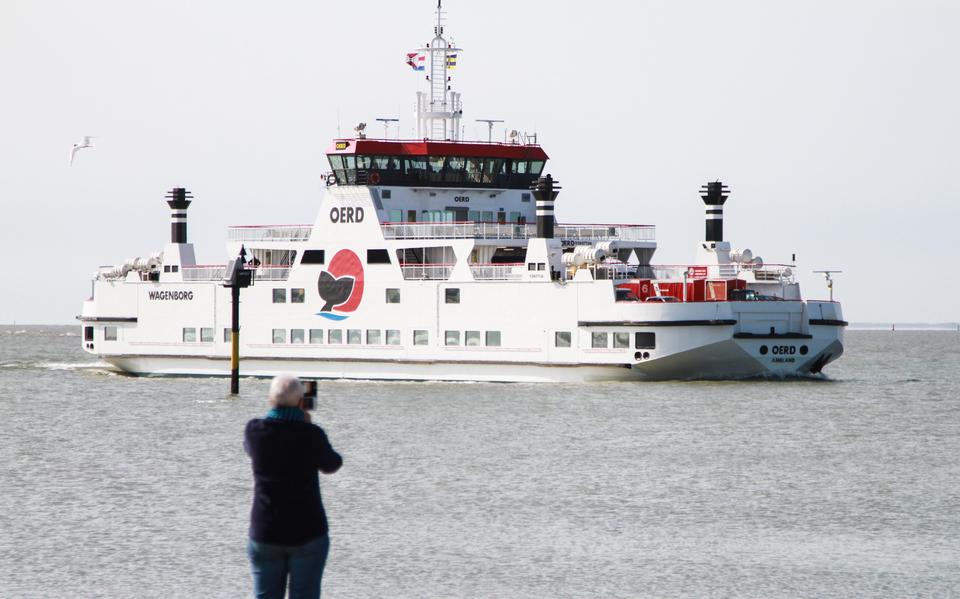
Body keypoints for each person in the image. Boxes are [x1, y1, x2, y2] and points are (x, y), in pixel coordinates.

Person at [244, 374, 342, 599]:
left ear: (270, 400)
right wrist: (306, 425)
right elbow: (332, 464)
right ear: (301, 402)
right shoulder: (311, 435)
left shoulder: (254, 431)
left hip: (265, 531)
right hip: (307, 532)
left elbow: (252, 449)